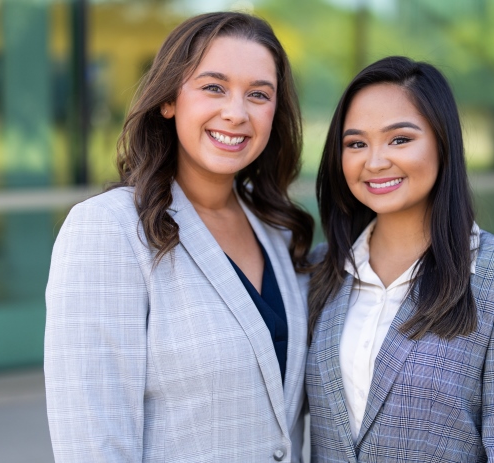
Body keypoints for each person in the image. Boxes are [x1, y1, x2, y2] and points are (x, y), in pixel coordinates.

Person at [44, 12, 313, 463]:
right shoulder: (107, 229)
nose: (236, 111)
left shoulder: (277, 231)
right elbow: (93, 443)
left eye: (259, 94)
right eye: (214, 87)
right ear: (169, 100)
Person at [306, 56, 494, 462]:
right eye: (356, 143)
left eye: (400, 139)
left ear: (442, 141)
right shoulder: (321, 269)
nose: (374, 161)